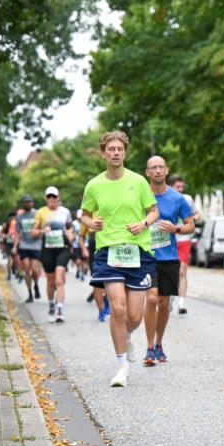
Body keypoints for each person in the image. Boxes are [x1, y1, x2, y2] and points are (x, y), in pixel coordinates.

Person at [80, 131, 158, 387]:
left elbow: (154, 211)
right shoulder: (94, 185)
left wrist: (143, 223)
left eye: (119, 149)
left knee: (134, 316)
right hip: (108, 251)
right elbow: (85, 215)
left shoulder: (138, 182)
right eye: (111, 149)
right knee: (118, 308)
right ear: (103, 153)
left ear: (125, 153)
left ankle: (128, 336)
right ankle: (122, 366)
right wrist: (92, 223)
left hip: (138, 251)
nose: (115, 152)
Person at [143, 156, 194, 365]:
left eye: (160, 167)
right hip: (147, 256)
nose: (157, 171)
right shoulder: (141, 196)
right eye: (153, 168)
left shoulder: (177, 198)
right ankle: (148, 348)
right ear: (147, 172)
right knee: (152, 299)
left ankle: (158, 343)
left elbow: (190, 225)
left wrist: (176, 229)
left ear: (166, 170)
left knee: (164, 303)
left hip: (169, 257)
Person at [32, 187, 73, 322]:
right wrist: (42, 230)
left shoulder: (65, 212)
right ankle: (51, 305)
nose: (51, 199)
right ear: (46, 198)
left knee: (59, 279)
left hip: (63, 248)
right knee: (50, 282)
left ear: (58, 198)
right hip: (48, 249)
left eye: (54, 197)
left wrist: (70, 236)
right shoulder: (41, 213)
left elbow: (69, 226)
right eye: (49, 197)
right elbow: (33, 232)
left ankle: (60, 309)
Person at [170, 175, 199, 314]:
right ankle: (168, 297)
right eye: (177, 187)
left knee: (182, 270)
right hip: (168, 239)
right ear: (171, 187)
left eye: (182, 187)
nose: (180, 190)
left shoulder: (187, 199)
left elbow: (196, 214)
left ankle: (181, 303)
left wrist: (194, 217)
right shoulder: (166, 198)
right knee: (170, 271)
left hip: (184, 239)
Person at [13, 195, 42, 302]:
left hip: (36, 245)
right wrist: (15, 246)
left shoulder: (37, 214)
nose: (27, 204)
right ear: (23, 204)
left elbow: (43, 228)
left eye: (29, 202)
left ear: (32, 203)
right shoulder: (20, 217)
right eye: (25, 202)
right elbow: (17, 233)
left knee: (35, 270)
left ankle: (36, 286)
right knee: (27, 270)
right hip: (24, 245)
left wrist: (39, 234)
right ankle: (30, 293)